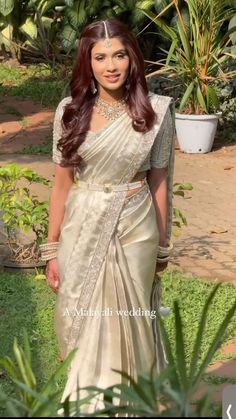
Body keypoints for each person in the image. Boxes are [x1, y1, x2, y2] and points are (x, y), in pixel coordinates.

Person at [40, 18, 175, 414]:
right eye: (100, 57)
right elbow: (62, 184)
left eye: (119, 55)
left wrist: (163, 244)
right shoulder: (70, 111)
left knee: (130, 317)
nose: (110, 65)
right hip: (82, 224)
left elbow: (160, 183)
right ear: (88, 61)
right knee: (86, 314)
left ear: (133, 60)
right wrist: (51, 248)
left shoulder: (156, 112)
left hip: (136, 225)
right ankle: (90, 402)